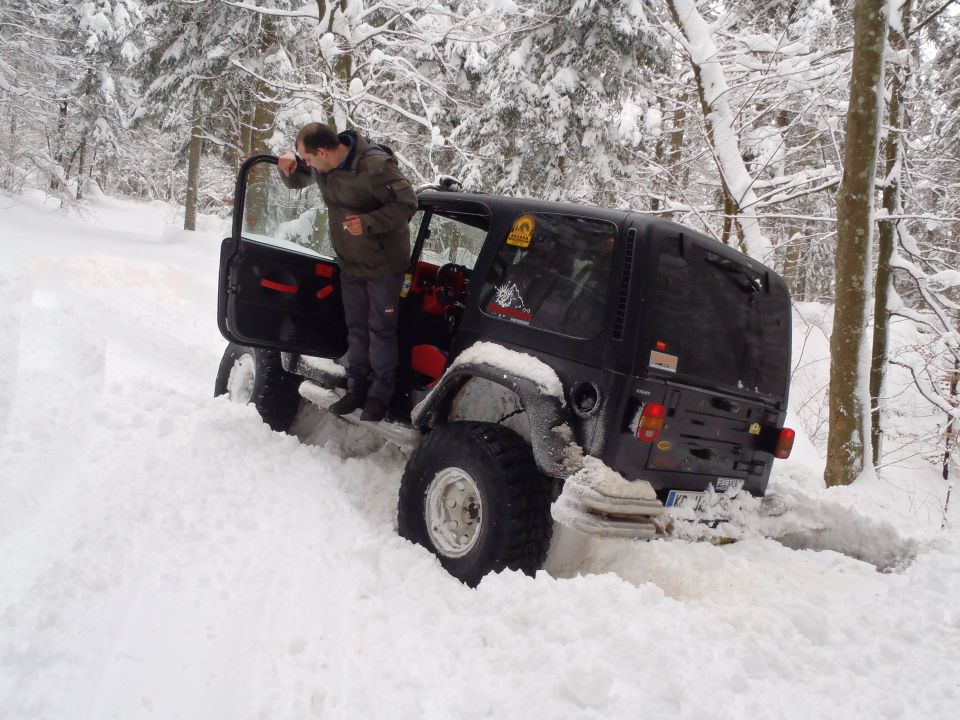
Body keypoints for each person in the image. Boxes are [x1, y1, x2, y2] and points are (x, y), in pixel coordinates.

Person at [277, 122, 418, 422]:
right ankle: (356, 389)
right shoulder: (324, 166)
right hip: (350, 262)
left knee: (380, 330)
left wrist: (367, 222)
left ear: (323, 151)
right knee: (356, 327)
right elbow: (299, 179)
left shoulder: (375, 166)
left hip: (384, 265)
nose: (308, 164)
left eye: (308, 158)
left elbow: (408, 203)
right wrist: (288, 166)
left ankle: (380, 396)